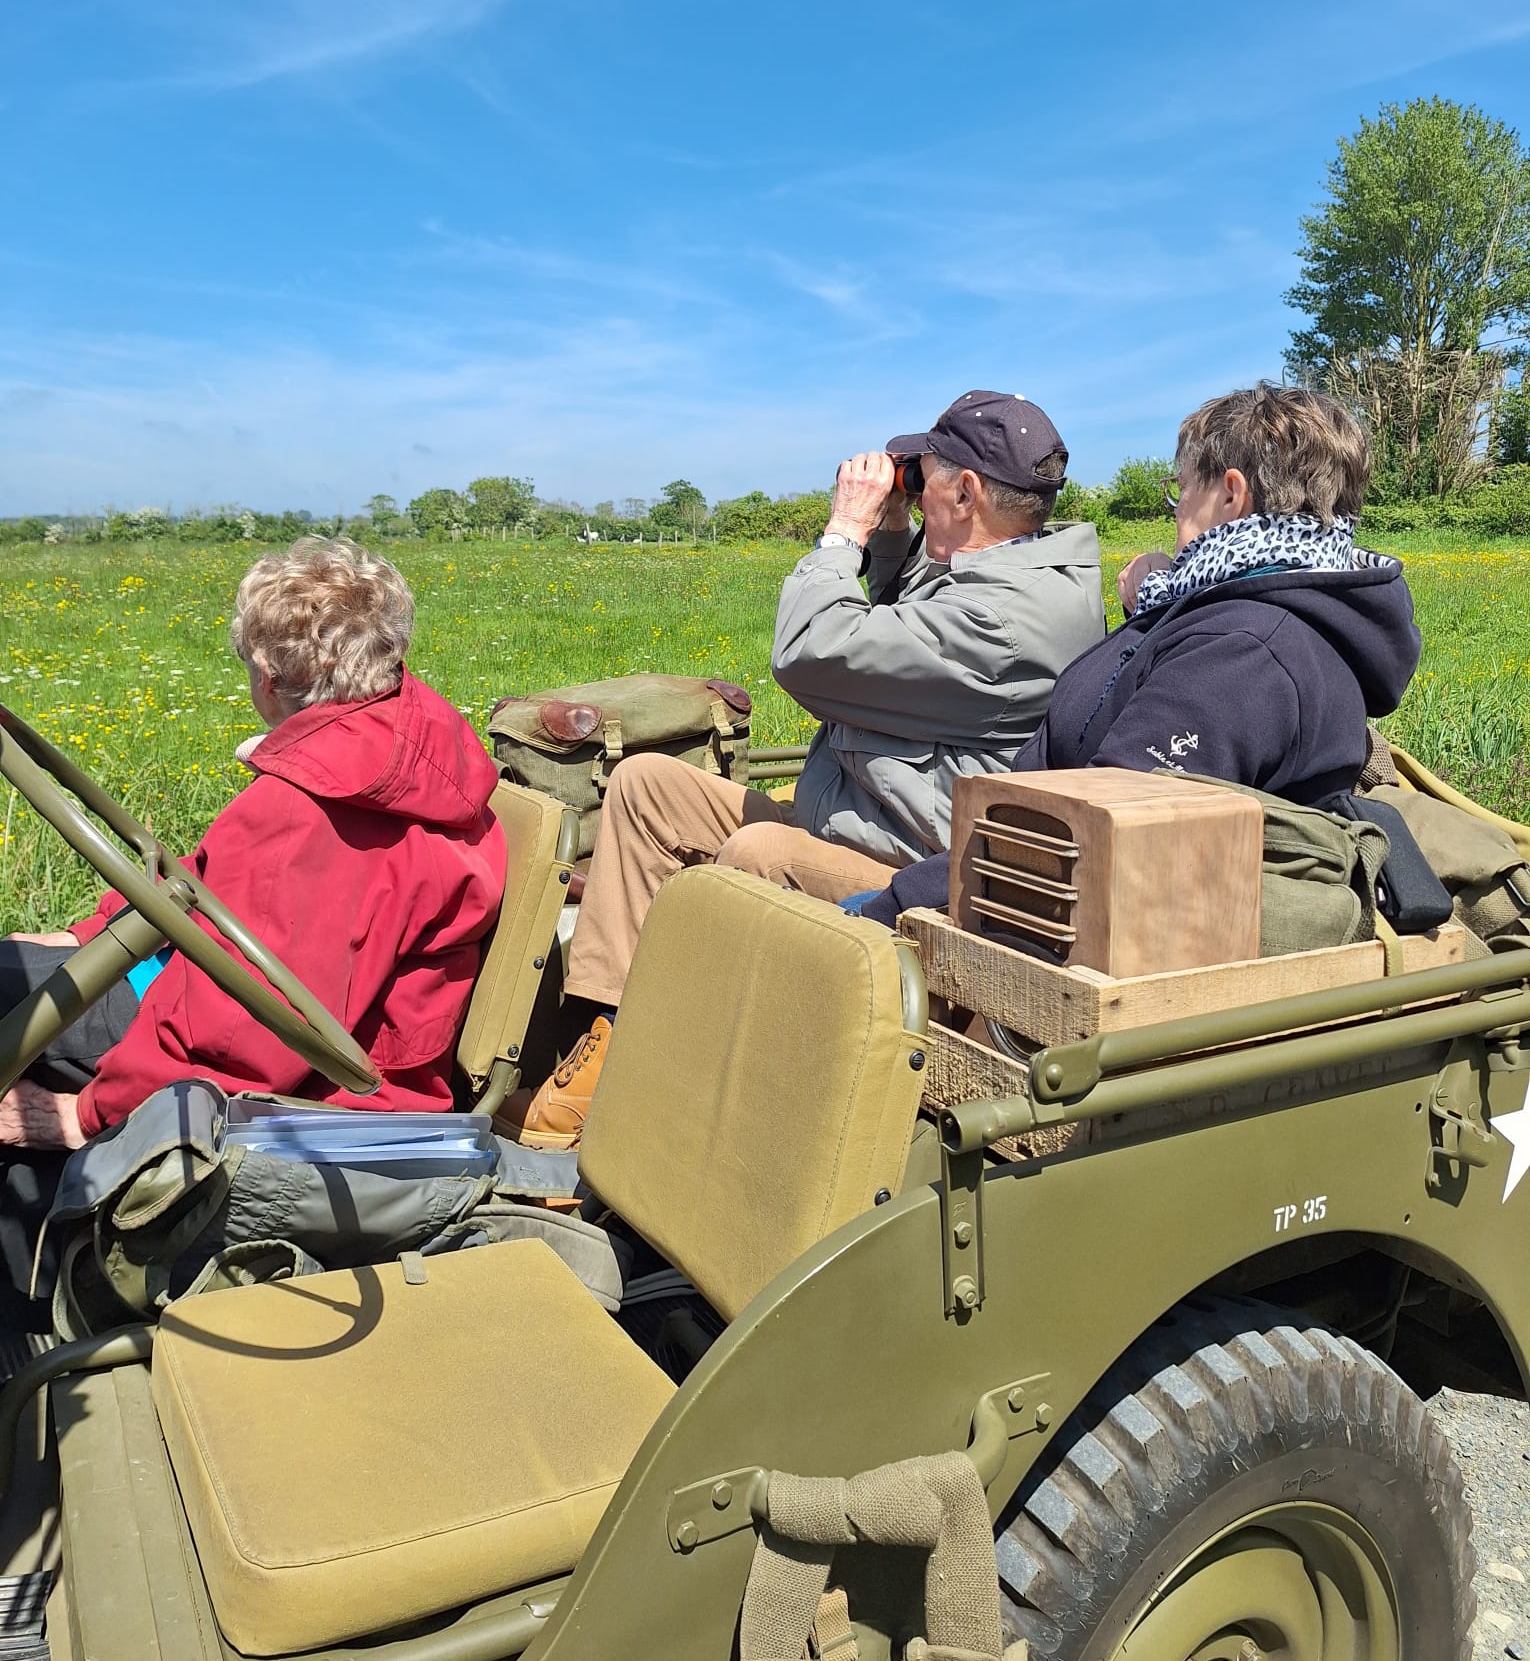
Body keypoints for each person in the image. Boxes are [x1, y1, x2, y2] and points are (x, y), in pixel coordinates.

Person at [505, 389, 1106, 1146]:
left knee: (759, 851)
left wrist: (844, 532)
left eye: (923, 479)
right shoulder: (1000, 566)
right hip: (867, 820)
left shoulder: (1007, 617)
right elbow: (899, 619)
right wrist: (895, 532)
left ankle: (676, 1095)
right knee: (646, 786)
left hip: (921, 870)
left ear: (965, 492)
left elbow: (812, 653)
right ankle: (608, 1038)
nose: (913, 492)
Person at [0, 539, 507, 1187]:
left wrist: (83, 1117)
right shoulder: (404, 750)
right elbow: (207, 883)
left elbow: (243, 1039)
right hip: (198, 991)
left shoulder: (306, 814)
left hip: (314, 1096)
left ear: (266, 677)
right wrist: (92, 934)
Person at [853, 382, 1422, 927]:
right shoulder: (1258, 610)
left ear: (1230, 494)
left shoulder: (1239, 657)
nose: (1176, 510)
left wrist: (890, 906)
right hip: (1014, 877)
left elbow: (1087, 836)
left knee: (801, 892)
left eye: (1182, 489)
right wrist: (1163, 600)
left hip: (1034, 916)